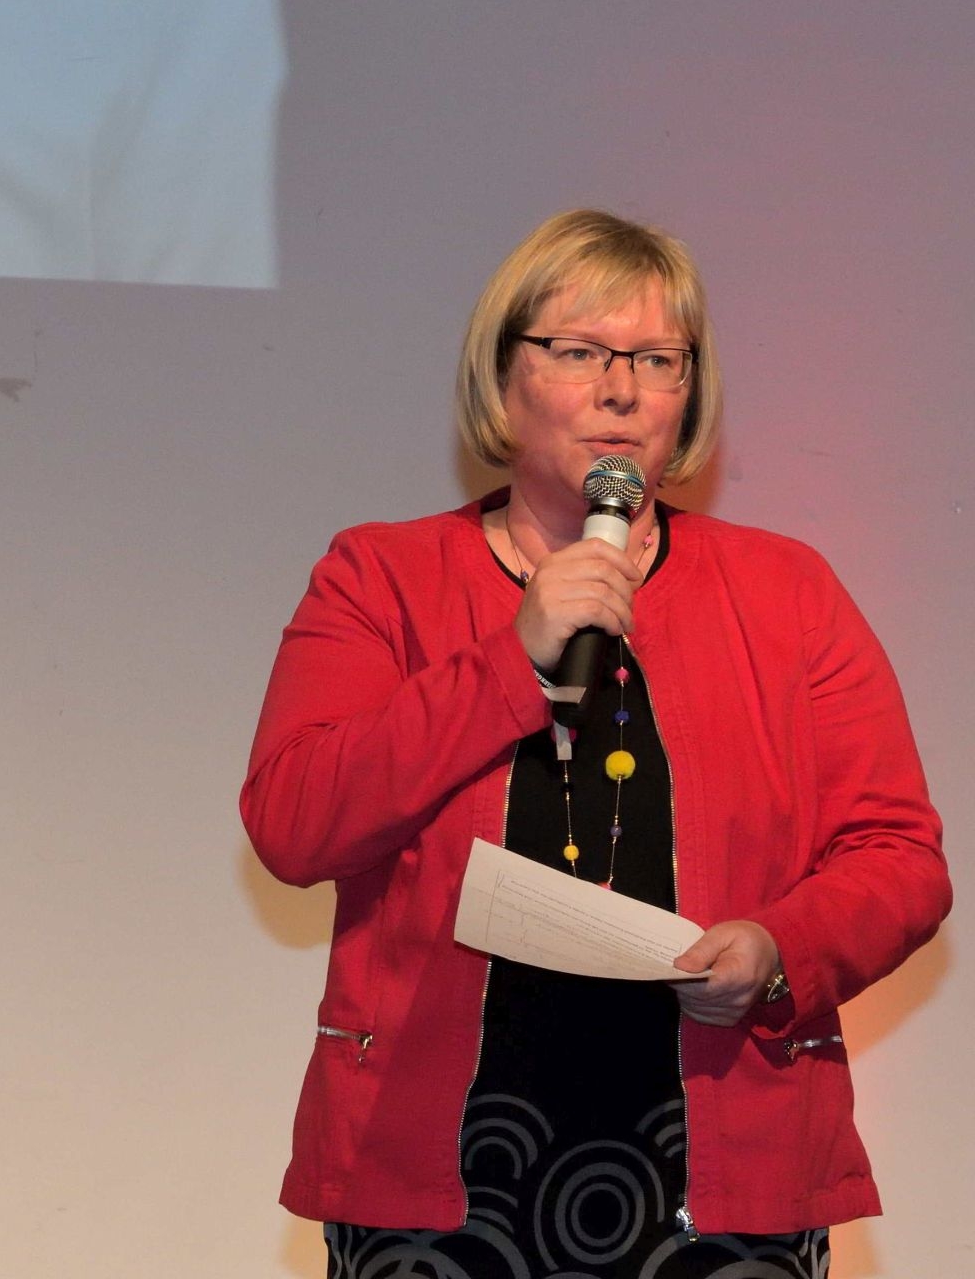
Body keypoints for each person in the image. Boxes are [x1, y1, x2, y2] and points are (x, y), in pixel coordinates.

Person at [241, 209, 950, 1278]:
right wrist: (509, 659)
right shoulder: (380, 578)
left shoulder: (788, 592)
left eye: (658, 360)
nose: (622, 390)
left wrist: (778, 949)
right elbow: (295, 823)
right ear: (504, 377)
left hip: (719, 1168)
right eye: (579, 351)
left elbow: (898, 858)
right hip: (438, 1169)